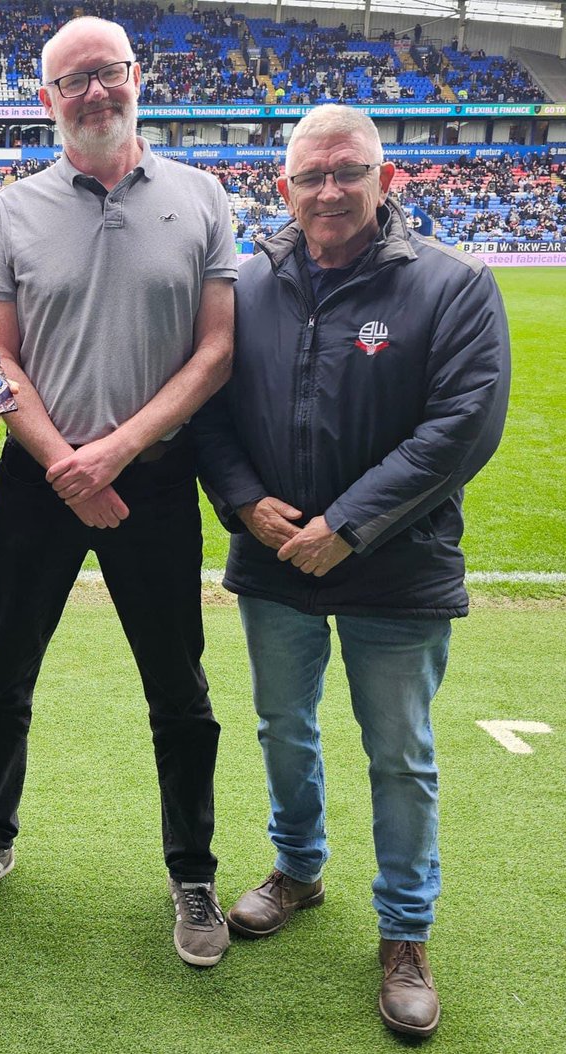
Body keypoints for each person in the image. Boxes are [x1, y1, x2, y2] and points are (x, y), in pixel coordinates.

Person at [193, 104, 510, 1036]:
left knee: (399, 754)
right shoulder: (249, 285)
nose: (329, 189)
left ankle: (405, 932)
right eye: (310, 174)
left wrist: (351, 524)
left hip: (397, 564)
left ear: (386, 178)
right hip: (274, 555)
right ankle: (298, 870)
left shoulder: (452, 285)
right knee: (283, 727)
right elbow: (209, 413)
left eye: (348, 170)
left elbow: (462, 428)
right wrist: (247, 502)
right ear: (283, 186)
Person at [0, 16, 237, 969]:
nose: (95, 92)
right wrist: (71, 463)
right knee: (3, 676)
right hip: (40, 478)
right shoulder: (12, 209)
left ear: (135, 77)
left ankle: (192, 869)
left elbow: (217, 349)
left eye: (108, 73)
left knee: (179, 688)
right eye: (74, 81)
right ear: (48, 100)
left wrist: (114, 452)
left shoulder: (202, 197)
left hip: (149, 483)